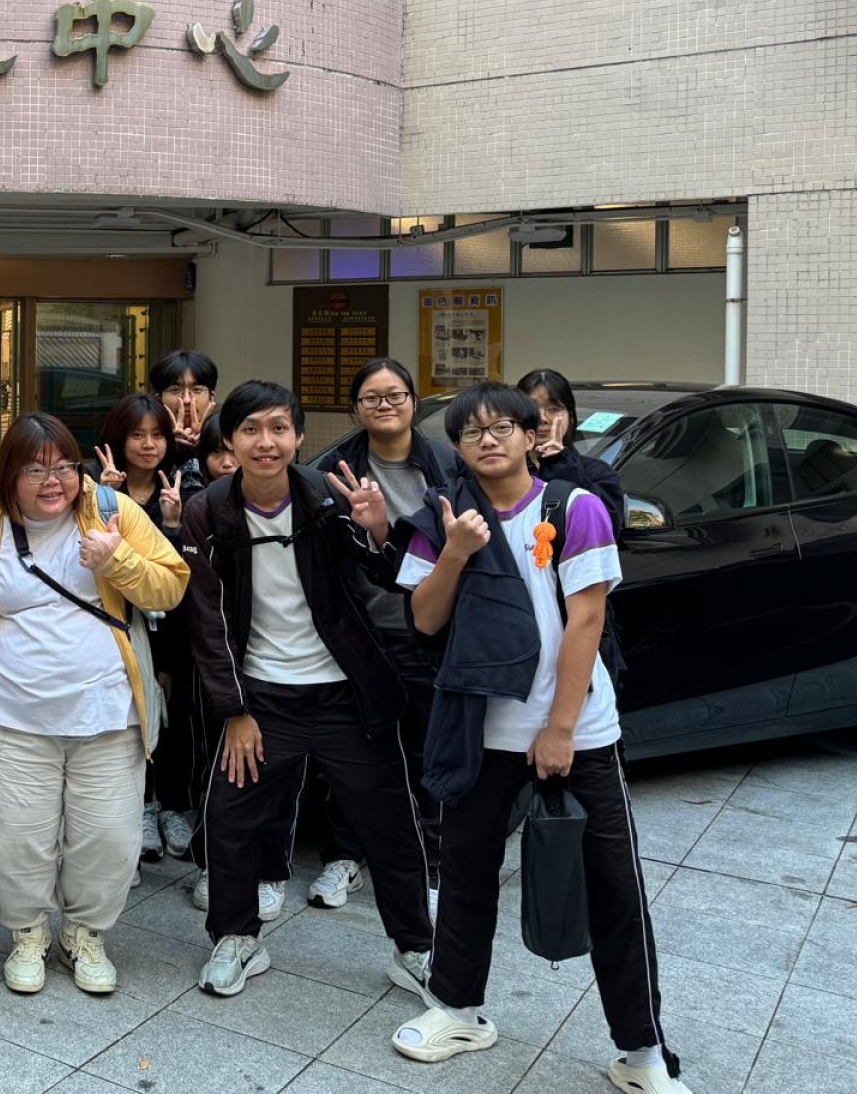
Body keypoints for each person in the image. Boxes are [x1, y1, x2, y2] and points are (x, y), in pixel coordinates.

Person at [390, 382, 686, 1094]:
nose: (488, 440)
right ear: (457, 448)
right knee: (466, 875)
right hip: (481, 729)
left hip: (578, 730)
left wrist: (559, 729)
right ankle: (457, 1009)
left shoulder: (574, 508)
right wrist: (455, 552)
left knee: (614, 889)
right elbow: (424, 619)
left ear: (532, 436)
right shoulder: (445, 514)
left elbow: (587, 620)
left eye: (503, 427)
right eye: (472, 432)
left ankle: (642, 1051)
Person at [179, 379, 433, 999]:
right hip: (262, 699)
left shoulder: (328, 496)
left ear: (297, 436)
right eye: (250, 430)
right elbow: (207, 622)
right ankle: (237, 938)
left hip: (346, 693)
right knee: (230, 819)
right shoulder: (208, 510)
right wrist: (234, 711)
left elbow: (393, 578)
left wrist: (379, 529)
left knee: (389, 822)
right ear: (230, 441)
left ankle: (416, 948)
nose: (265, 442)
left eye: (278, 428)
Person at [0, 413, 188, 995]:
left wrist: (116, 559)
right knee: (15, 836)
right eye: (34, 470)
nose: (52, 482)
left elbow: (172, 585)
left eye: (63, 468)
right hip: (9, 716)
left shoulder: (112, 511)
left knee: (108, 836)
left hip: (108, 714)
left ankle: (84, 934)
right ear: (8, 475)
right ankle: (27, 932)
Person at [305, 358, 461, 916]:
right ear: (355, 409)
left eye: (395, 395)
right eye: (371, 398)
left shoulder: (448, 464)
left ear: (414, 402)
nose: (385, 406)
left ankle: (431, 866)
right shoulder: (333, 470)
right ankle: (345, 856)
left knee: (426, 752)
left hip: (428, 632)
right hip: (361, 633)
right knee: (356, 754)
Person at [92, 394, 199, 866]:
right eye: (137, 435)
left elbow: (181, 575)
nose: (149, 445)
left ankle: (170, 806)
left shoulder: (179, 488)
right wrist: (102, 499)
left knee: (172, 717)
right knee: (131, 722)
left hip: (171, 629)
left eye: (157, 435)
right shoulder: (95, 490)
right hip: (119, 629)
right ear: (118, 438)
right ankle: (142, 808)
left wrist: (174, 524)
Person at [186, 414, 238, 916]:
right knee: (215, 760)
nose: (227, 462)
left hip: (277, 661)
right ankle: (210, 863)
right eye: (217, 452)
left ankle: (268, 869)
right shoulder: (199, 508)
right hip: (214, 658)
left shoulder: (296, 503)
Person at [518, 368, 626, 533]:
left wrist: (561, 465)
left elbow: (606, 529)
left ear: (571, 417)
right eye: (531, 408)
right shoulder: (503, 470)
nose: (542, 418)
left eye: (554, 408)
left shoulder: (597, 472)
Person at [150, 349, 219, 461]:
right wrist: (169, 446)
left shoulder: (230, 439)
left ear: (211, 398)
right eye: (175, 390)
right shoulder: (145, 442)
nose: (186, 400)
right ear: (159, 399)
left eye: (197, 390)